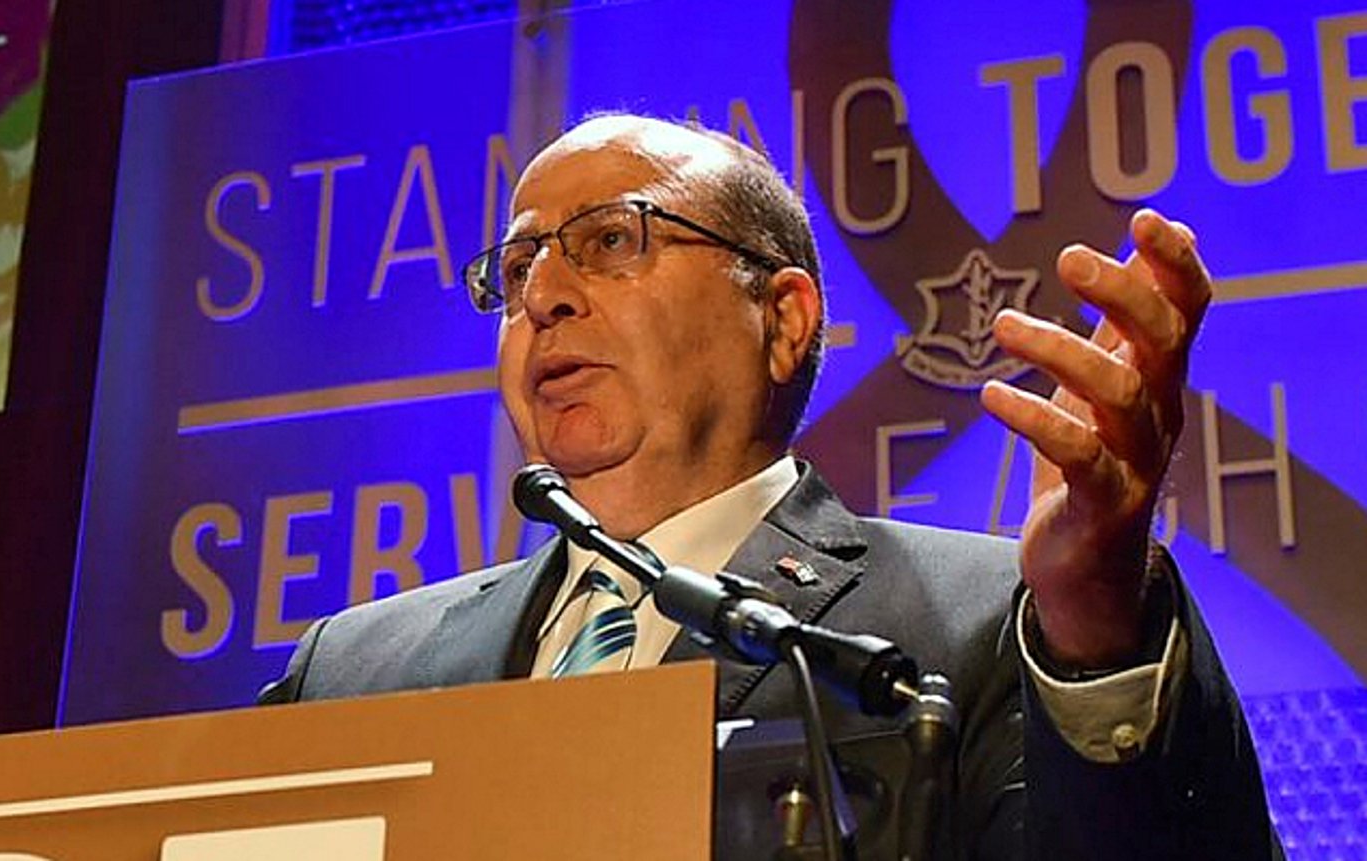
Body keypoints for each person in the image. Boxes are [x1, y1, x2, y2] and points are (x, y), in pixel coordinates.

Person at [260, 114, 1281, 859]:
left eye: (610, 240)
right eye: (518, 267)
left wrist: (1096, 624)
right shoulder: (353, 674)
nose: (544, 296)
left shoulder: (985, 628)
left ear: (784, 319)